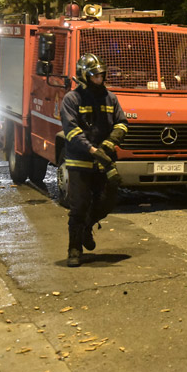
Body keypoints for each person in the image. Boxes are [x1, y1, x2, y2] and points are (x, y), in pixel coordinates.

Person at [60, 53, 128, 267]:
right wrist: (91, 149)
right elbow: (71, 131)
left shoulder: (111, 98)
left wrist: (108, 145)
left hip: (104, 160)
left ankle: (87, 226)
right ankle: (74, 248)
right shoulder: (71, 99)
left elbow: (122, 123)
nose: (99, 79)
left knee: (107, 201)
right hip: (80, 161)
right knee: (79, 205)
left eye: (101, 75)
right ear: (84, 77)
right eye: (94, 76)